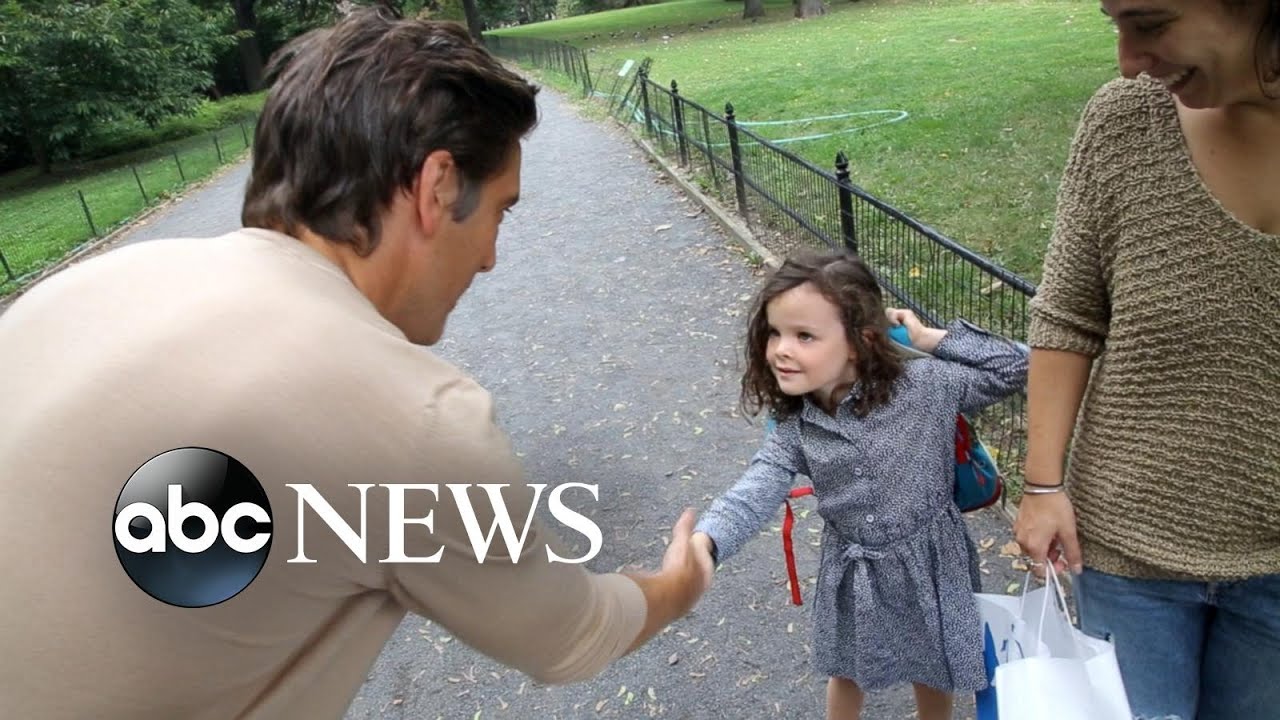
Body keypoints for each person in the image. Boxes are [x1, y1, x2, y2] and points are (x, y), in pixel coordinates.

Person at [0, 8, 713, 719]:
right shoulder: (415, 419)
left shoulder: (77, 289)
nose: (492, 257)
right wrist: (676, 585)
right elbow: (571, 634)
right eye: (501, 211)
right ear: (437, 189)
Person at [1014, 1, 1280, 718]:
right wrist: (1042, 486)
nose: (1129, 59)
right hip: (1130, 556)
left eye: (1151, 23)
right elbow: (1068, 313)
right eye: (1115, 25)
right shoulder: (1126, 121)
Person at [690, 251, 1030, 720]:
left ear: (860, 341)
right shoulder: (796, 425)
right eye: (775, 332)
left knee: (934, 666)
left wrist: (931, 338)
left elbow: (1018, 366)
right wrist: (707, 542)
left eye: (804, 335)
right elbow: (755, 488)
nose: (781, 349)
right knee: (847, 669)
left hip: (932, 559)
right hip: (854, 569)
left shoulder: (927, 385)